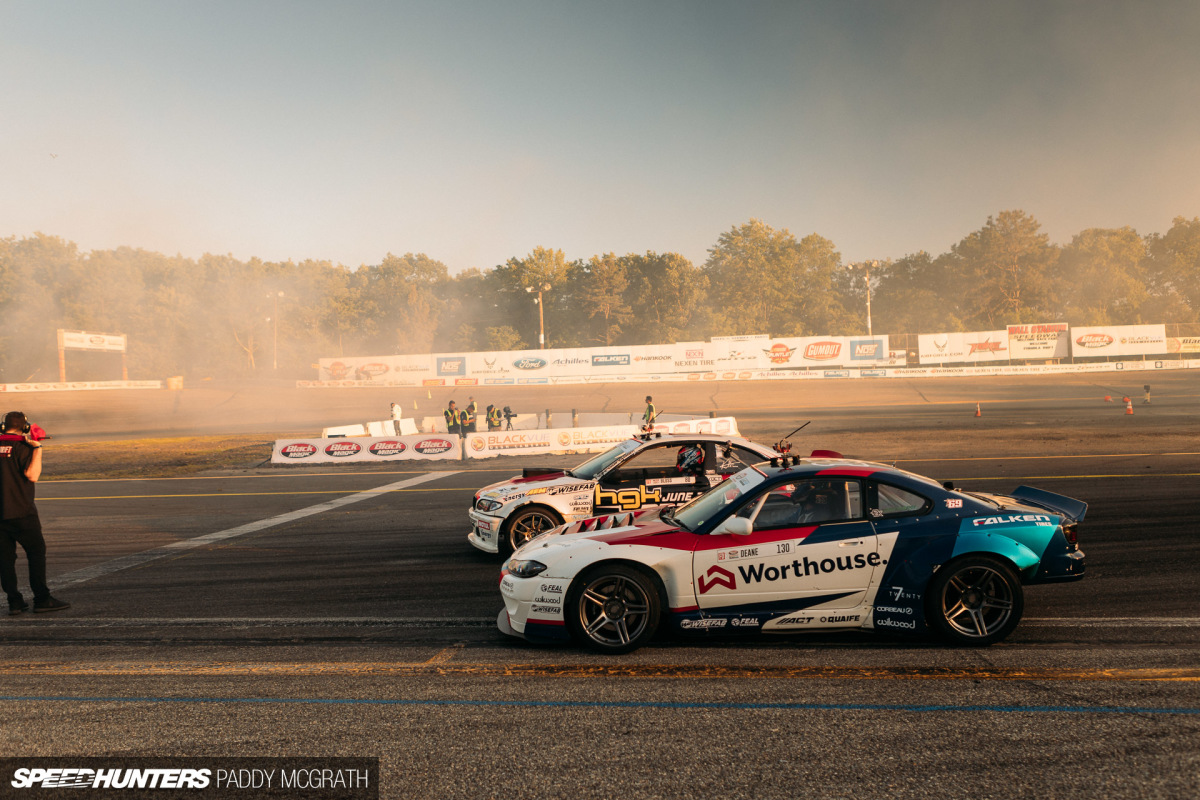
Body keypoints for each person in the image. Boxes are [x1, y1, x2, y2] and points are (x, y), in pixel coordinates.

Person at [1, 411, 69, 614]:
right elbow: (32, 475)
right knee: (36, 553)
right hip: (22, 512)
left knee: (5, 560)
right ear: (25, 427)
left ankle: (14, 602)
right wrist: (37, 448)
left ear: (3, 426)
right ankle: (41, 598)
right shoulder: (23, 446)